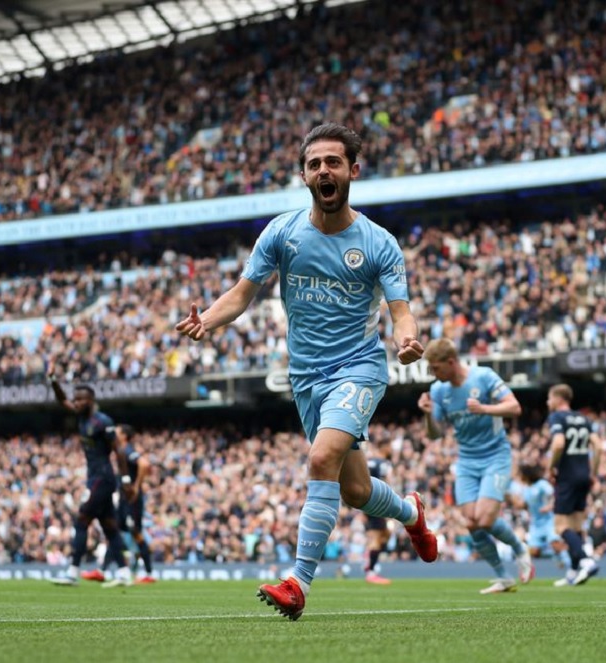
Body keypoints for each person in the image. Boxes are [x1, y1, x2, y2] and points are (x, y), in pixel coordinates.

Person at [176, 123, 437, 621]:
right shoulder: (282, 232)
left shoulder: (379, 243)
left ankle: (298, 583)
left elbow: (401, 311)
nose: (323, 171)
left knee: (321, 458)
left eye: (333, 162)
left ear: (352, 171)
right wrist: (206, 319)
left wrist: (406, 339)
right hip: (306, 378)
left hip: (359, 367)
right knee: (356, 491)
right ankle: (411, 513)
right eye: (314, 164)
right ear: (304, 176)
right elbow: (242, 294)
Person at [418, 338, 533, 594]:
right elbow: (435, 434)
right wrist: (427, 414)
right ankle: (503, 577)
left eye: (436, 368)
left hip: (495, 455)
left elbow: (514, 407)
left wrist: (485, 408)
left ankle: (519, 548)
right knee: (471, 522)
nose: (433, 374)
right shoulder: (438, 390)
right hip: (467, 460)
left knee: (484, 518)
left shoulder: (483, 376)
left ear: (451, 362)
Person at [47, 374, 133, 588]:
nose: (76, 403)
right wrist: (53, 380)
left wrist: (125, 478)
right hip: (95, 477)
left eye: (80, 400)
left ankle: (72, 572)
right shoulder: (81, 416)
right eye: (75, 399)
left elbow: (119, 450)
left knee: (81, 520)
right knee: (110, 527)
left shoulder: (102, 422)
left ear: (91, 400)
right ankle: (124, 573)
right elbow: (62, 400)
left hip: (102, 478)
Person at [82, 424, 158, 584]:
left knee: (135, 532)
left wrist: (136, 487)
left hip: (132, 500)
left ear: (124, 436)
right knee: (114, 531)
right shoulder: (120, 451)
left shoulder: (127, 450)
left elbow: (144, 464)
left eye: (117, 432)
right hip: (124, 499)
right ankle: (102, 571)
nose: (113, 434)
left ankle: (149, 573)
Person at [546, 383, 601, 585]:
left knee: (561, 526)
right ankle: (573, 571)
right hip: (584, 475)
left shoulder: (557, 417)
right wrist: (593, 473)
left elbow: (558, 443)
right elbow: (598, 446)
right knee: (576, 527)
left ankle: (586, 561)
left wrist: (551, 467)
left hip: (567, 476)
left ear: (559, 399)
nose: (548, 402)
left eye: (549, 398)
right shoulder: (584, 418)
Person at [512, 463, 571, 586]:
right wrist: (509, 497)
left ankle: (573, 567)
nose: (520, 477)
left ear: (526, 475)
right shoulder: (526, 489)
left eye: (521, 475)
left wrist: (550, 506)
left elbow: (554, 494)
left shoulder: (542, 485)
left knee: (555, 544)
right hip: (536, 524)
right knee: (534, 552)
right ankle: (527, 567)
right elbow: (524, 505)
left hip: (549, 521)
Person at [364, 437, 395, 585]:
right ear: (384, 447)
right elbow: (387, 483)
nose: (392, 449)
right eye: (390, 446)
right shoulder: (384, 464)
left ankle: (368, 559)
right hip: (379, 502)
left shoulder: (369, 461)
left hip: (367, 501)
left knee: (385, 533)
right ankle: (371, 571)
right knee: (377, 537)